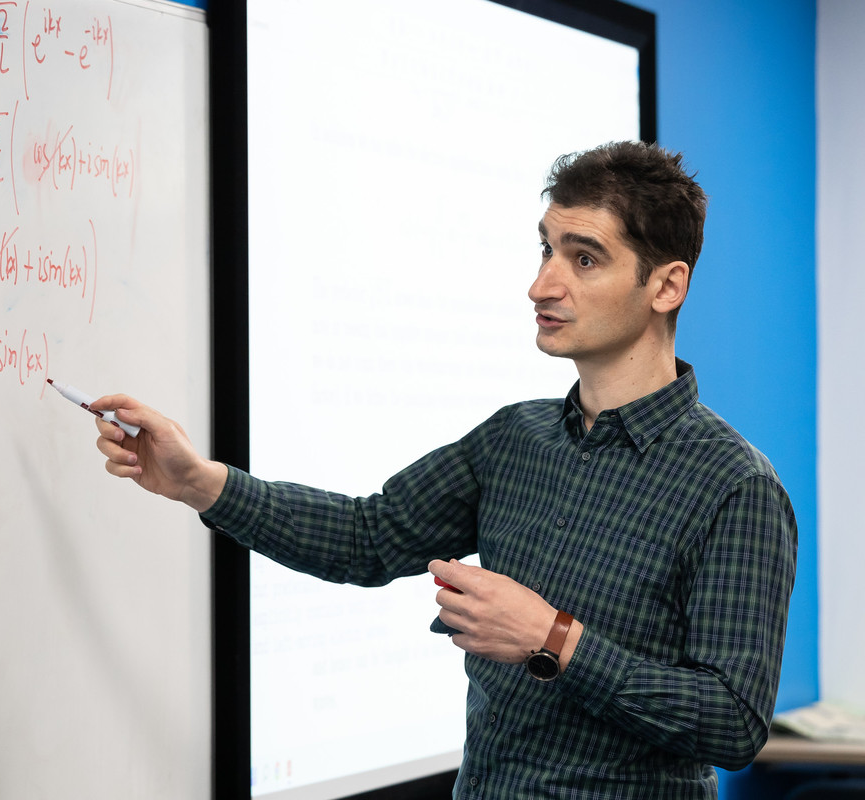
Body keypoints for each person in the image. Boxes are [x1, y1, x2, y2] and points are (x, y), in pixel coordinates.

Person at [85, 141, 797, 799]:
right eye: (546, 250)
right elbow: (369, 535)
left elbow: (731, 724)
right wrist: (198, 482)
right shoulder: (513, 439)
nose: (541, 285)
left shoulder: (734, 487)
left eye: (583, 259)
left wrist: (555, 639)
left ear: (666, 286)